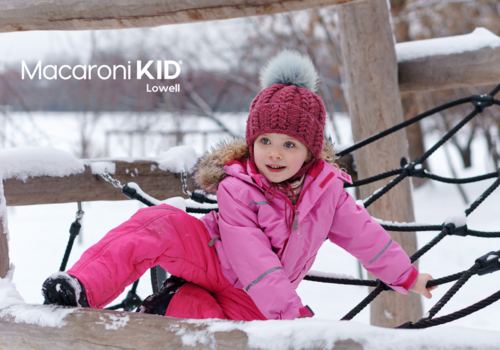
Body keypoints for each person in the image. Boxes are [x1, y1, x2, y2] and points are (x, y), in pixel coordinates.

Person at [42, 50, 437, 321]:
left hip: (254, 301)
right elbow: (253, 257)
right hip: (214, 256)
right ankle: (82, 286)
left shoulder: (327, 192)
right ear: (251, 143)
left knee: (216, 328)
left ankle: (167, 306)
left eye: (289, 144)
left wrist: (407, 277)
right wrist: (291, 314)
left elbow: (367, 237)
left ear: (311, 152)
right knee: (159, 220)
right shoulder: (238, 185)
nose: (274, 154)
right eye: (264, 141)